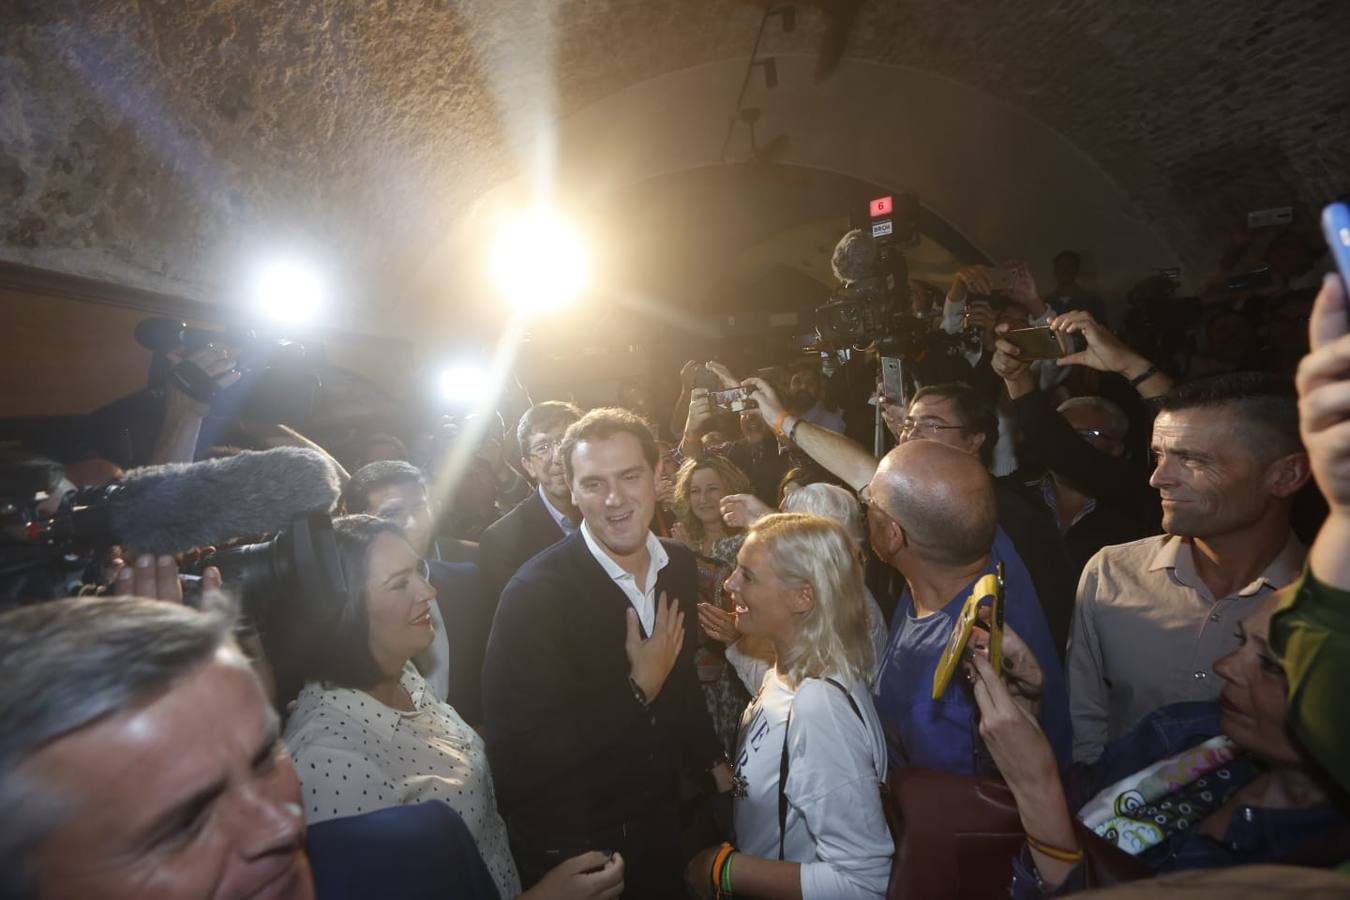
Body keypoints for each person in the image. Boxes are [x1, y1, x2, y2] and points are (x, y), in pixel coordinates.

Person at [0, 595, 624, 900]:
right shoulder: (336, 756)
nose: (280, 823)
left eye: (263, 756)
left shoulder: (417, 845)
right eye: (185, 820)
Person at [280, 515, 624, 899]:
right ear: (342, 613)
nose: (428, 590)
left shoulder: (405, 675)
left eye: (419, 570)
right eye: (399, 584)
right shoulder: (325, 764)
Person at [481, 408, 731, 897]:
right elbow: (518, 755)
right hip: (582, 845)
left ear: (658, 474)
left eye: (629, 476)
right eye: (593, 484)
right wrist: (638, 689)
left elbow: (680, 685)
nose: (614, 499)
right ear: (570, 490)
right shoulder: (535, 594)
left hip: (666, 819)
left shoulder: (677, 564)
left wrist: (715, 766)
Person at [968, 592, 1349, 898]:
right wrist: (1027, 717)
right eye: (1241, 641)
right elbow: (1073, 799)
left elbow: (1047, 806)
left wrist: (1036, 787)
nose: (1226, 666)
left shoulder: (1315, 868)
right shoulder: (1194, 729)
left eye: (1268, 664)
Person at [1067, 372, 1310, 764]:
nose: (1158, 478)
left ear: (1285, 475)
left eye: (1193, 459)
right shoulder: (1111, 574)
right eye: (1159, 455)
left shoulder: (1329, 606)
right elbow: (1086, 730)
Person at [685, 513, 893, 899]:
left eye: (747, 576)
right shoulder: (786, 671)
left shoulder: (820, 706)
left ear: (802, 596)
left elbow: (863, 884)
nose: (729, 583)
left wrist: (724, 869)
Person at [865, 439, 1072, 773]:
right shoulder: (980, 541)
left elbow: (962, 818)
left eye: (869, 502)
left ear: (893, 535)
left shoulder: (947, 700)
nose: (864, 505)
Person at [343, 460, 491, 721]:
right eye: (391, 514)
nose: (411, 523)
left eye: (419, 508)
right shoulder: (341, 612)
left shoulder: (468, 583)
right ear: (357, 524)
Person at [478, 401, 582, 603]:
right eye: (543, 447)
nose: (558, 458)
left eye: (566, 442)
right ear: (528, 466)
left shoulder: (614, 511)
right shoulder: (502, 541)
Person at [671, 455, 752, 561]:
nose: (703, 499)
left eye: (712, 489)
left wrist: (692, 553)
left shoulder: (749, 539)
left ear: (730, 490)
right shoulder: (684, 536)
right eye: (695, 491)